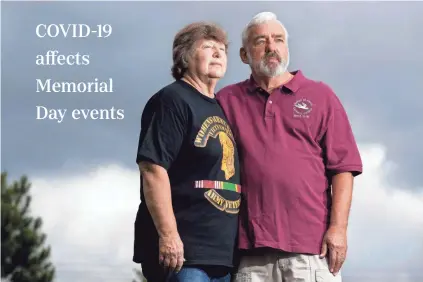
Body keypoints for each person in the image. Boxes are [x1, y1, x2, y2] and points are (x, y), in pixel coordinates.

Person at [216, 12, 363, 282]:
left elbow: (343, 168)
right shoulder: (227, 100)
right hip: (251, 252)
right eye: (261, 41)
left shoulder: (321, 96)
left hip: (312, 249)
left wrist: (338, 229)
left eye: (279, 40)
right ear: (244, 54)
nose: (272, 47)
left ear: (287, 47)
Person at [133, 22, 241, 282]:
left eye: (221, 49)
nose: (217, 53)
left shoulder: (222, 108)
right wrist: (169, 235)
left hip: (221, 256)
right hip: (183, 255)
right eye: (207, 47)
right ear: (185, 56)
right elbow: (152, 168)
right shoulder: (172, 100)